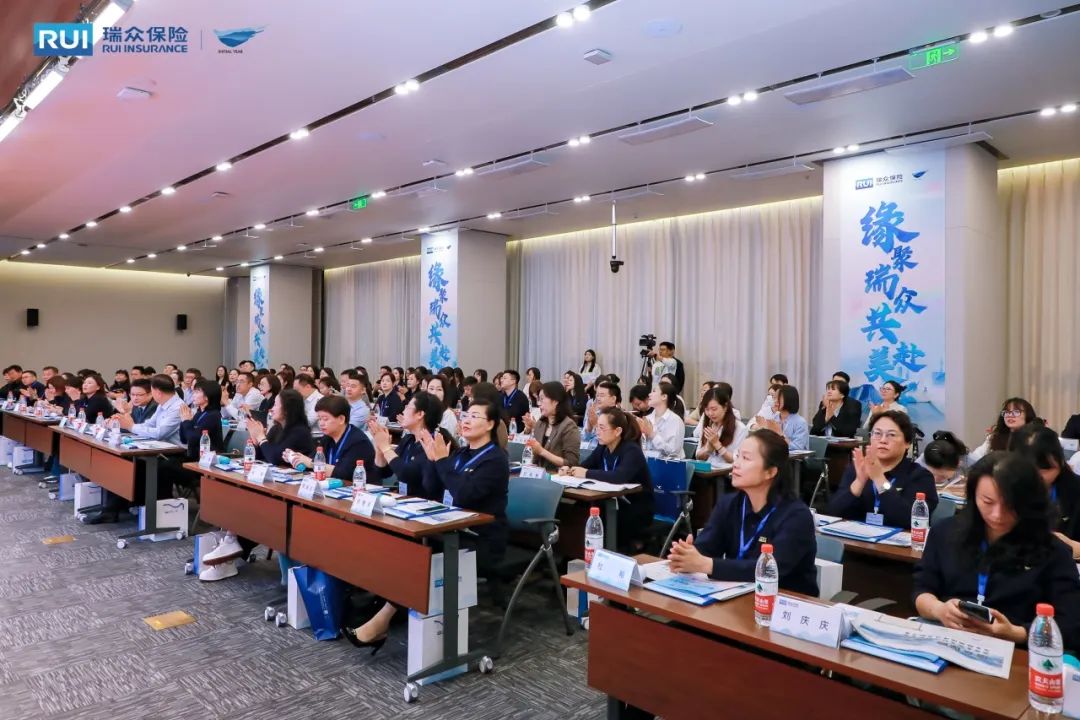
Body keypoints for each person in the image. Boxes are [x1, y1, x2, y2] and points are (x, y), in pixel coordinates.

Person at [347, 399, 510, 651]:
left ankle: (383, 619)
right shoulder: (460, 453)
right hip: (450, 528)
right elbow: (434, 488)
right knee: (401, 544)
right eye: (465, 415)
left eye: (474, 416)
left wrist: (441, 461)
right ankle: (385, 608)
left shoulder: (495, 459)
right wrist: (433, 463)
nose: (466, 420)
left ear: (490, 424)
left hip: (481, 538)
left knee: (419, 554)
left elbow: (464, 495)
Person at [914, 453, 1080, 648]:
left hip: (1016, 652)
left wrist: (1016, 633)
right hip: (947, 640)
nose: (997, 515)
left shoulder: (1052, 551)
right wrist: (939, 610)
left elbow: (1071, 625)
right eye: (987, 501)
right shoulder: (945, 532)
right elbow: (921, 589)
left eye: (1010, 505)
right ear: (973, 495)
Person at [668, 429, 817, 593]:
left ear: (770, 472)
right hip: (737, 595)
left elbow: (771, 569)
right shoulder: (729, 504)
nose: (736, 464)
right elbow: (707, 547)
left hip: (784, 600)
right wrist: (686, 556)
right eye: (738, 456)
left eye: (746, 458)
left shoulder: (796, 516)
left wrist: (707, 565)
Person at [561, 407, 654, 553]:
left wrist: (586, 473)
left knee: (595, 513)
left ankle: (607, 552)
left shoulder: (631, 450)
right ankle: (574, 553)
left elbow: (618, 477)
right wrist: (570, 470)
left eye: (602, 428)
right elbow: (585, 466)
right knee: (579, 509)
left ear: (617, 431)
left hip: (635, 507)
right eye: (597, 427)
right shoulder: (603, 447)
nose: (597, 432)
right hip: (612, 501)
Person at [827, 410, 938, 529]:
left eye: (891, 435)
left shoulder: (920, 476)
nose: (883, 440)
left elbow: (909, 520)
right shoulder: (858, 469)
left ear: (907, 443)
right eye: (877, 433)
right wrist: (859, 482)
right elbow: (833, 512)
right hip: (857, 538)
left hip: (898, 540)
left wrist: (879, 479)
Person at [1011, 423, 1080, 555]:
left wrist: (1072, 546)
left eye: (1045, 468)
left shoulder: (1075, 489)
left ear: (1060, 461)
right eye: (1029, 469)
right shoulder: (1003, 489)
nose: (1038, 476)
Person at [368, 391, 448, 499]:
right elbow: (384, 472)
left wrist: (386, 448)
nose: (403, 411)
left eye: (408, 407)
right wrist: (379, 449)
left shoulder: (433, 444)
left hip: (422, 502)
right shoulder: (408, 440)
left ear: (420, 414)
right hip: (402, 498)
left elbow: (407, 475)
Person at [288, 396, 376, 481]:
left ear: (341, 419)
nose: (321, 423)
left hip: (359, 488)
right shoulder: (327, 438)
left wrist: (311, 463)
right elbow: (311, 462)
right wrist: (295, 458)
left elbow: (343, 474)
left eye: (325, 419)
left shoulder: (358, 442)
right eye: (319, 419)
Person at [521, 381, 581, 472]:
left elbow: (572, 463)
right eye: (538, 399)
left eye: (542, 399)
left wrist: (542, 451)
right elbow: (534, 458)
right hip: (538, 473)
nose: (538, 403)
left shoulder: (569, 426)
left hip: (558, 476)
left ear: (555, 401)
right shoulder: (541, 423)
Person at [247, 389, 315, 465]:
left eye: (275, 405)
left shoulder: (300, 432)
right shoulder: (276, 428)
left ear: (287, 409)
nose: (271, 409)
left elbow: (275, 458)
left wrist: (261, 437)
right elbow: (262, 455)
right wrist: (256, 440)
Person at [117, 374, 182, 444]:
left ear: (158, 393)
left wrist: (131, 427)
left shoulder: (178, 408)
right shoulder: (162, 404)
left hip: (176, 449)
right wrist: (128, 425)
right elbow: (150, 424)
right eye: (132, 394)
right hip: (162, 446)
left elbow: (159, 433)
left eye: (152, 391)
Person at [968, 397, 1038, 462]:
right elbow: (975, 459)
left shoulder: (1036, 437)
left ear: (1028, 415)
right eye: (1007, 412)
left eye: (1016, 412)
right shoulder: (994, 437)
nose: (1010, 415)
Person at [695, 387, 749, 467]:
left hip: (726, 473)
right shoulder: (708, 425)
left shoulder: (740, 428)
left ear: (725, 407)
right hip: (707, 470)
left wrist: (717, 445)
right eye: (707, 409)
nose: (710, 413)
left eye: (714, 409)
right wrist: (708, 449)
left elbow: (737, 460)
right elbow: (698, 456)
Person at [638, 382, 685, 461]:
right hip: (648, 462)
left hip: (669, 465)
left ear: (664, 396)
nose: (649, 394)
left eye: (654, 391)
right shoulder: (647, 418)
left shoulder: (675, 421)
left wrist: (652, 435)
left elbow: (673, 452)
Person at [760, 385, 809, 451]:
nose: (775, 401)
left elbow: (797, 448)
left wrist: (780, 433)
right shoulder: (774, 418)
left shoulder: (800, 422)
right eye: (774, 398)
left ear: (789, 399)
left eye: (778, 398)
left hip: (794, 457)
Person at [424, 374, 458, 438]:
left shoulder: (448, 415)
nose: (434, 393)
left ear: (445, 393)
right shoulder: (422, 411)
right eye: (431, 388)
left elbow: (446, 440)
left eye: (439, 389)